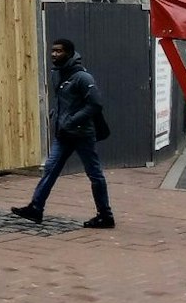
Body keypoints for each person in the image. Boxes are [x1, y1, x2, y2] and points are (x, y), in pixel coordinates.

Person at [11, 37, 114, 229]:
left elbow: (95, 104)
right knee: (50, 168)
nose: (54, 54)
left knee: (94, 174)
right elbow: (64, 100)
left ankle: (105, 215)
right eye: (53, 51)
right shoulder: (57, 73)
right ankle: (36, 208)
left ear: (69, 53)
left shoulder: (83, 77)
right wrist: (56, 115)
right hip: (64, 133)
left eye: (59, 51)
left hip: (82, 134)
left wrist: (72, 120)